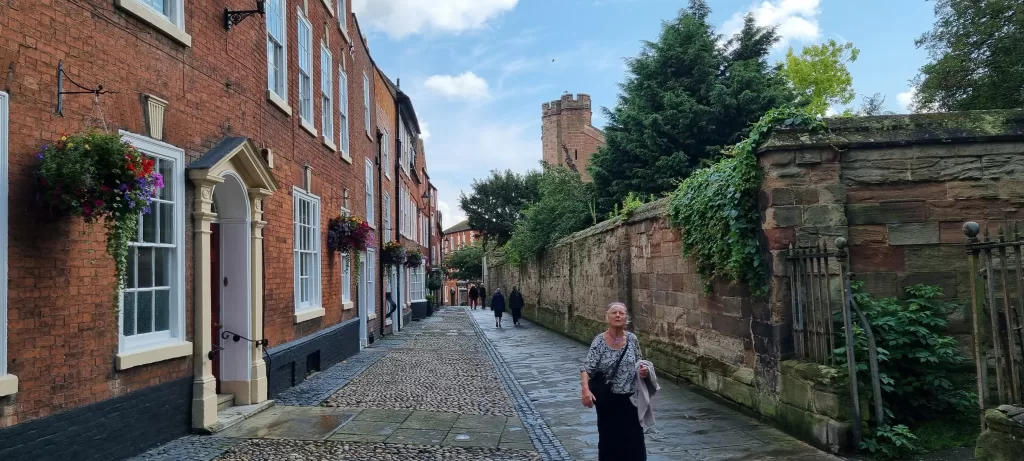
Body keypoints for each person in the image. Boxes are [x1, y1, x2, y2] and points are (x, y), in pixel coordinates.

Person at [580, 302, 649, 461]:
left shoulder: (632, 339)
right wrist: (585, 389)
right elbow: (587, 368)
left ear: (627, 318)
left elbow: (639, 362)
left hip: (631, 400)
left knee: (634, 441)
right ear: (607, 317)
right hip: (607, 401)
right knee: (609, 440)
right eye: (614, 313)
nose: (618, 315)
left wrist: (643, 371)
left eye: (621, 313)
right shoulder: (599, 341)